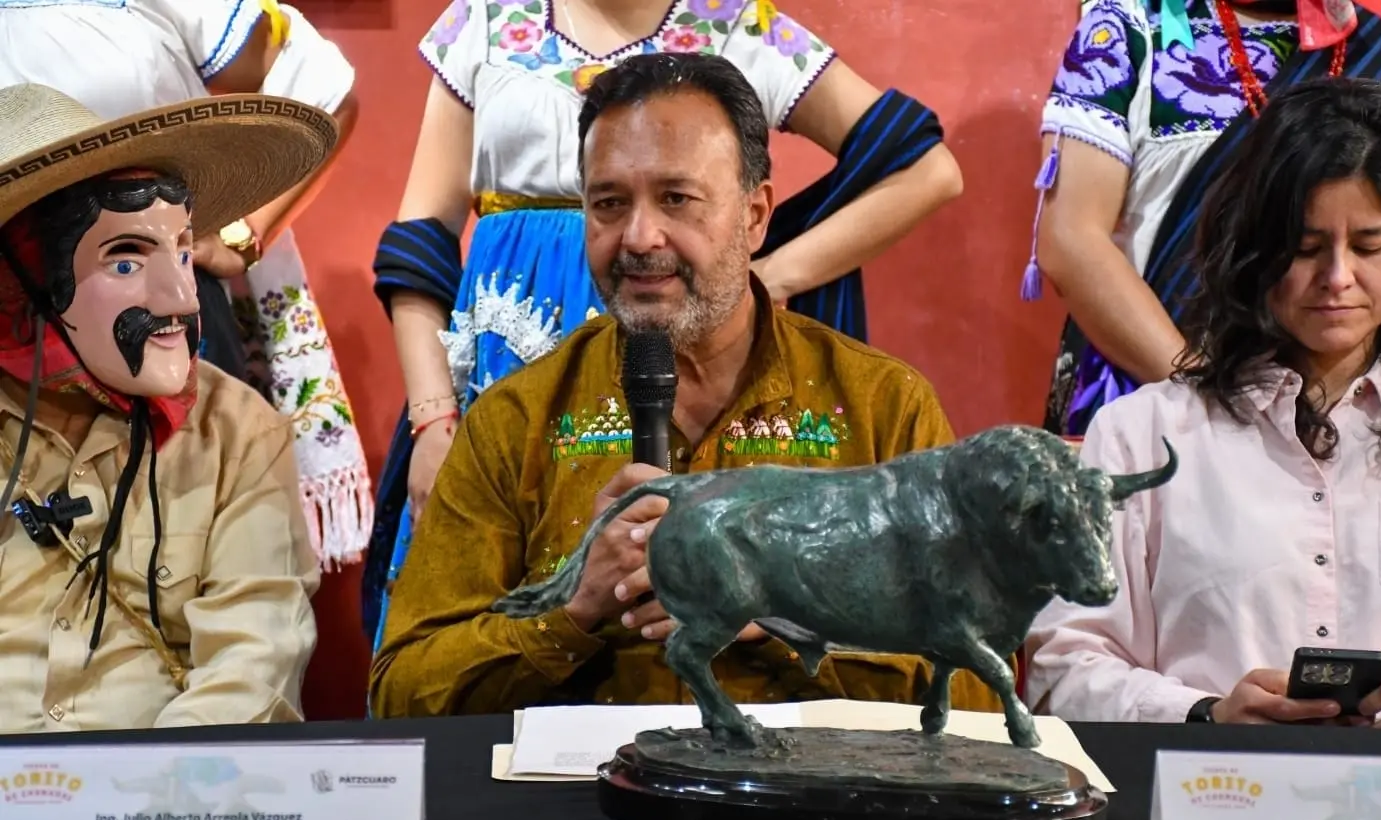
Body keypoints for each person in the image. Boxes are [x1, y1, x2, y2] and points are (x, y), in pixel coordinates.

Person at [369, 53, 1001, 718]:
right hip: (582, 786)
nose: (640, 237)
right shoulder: (516, 420)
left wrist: (786, 613)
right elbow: (402, 695)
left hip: (812, 787)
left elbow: (982, 687)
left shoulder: (883, 410)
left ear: (755, 215)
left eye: (676, 198)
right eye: (609, 204)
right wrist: (573, 607)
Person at [1024, 77, 1381, 727]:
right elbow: (1063, 669)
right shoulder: (1143, 437)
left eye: (1369, 246)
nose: (1337, 278)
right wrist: (1205, 717)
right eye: (1305, 249)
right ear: (1254, 249)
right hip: (1206, 787)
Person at [0, 83, 332, 731]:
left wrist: (151, 789)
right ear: (25, 279)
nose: (183, 298)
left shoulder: (237, 432)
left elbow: (252, 666)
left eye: (182, 251)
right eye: (126, 262)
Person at [0, 0, 374, 569]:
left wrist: (243, 234)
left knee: (192, 529)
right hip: (16, 337)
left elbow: (322, 84)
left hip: (158, 337)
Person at [1021, 0, 1381, 438]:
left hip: (1360, 413)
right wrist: (1208, 399)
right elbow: (1072, 238)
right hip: (1163, 403)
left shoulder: (1379, 34)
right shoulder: (1130, 27)